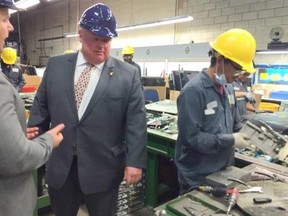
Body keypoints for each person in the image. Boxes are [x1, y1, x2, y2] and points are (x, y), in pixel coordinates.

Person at [28, 3, 147, 216]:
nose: (101, 45)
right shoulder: (55, 66)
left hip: (104, 169)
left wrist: (135, 162)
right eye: (95, 38)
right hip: (61, 166)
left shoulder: (128, 75)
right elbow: (40, 108)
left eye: (107, 40)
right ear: (80, 35)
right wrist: (33, 145)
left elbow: (136, 122)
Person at [0, 1, 64, 216]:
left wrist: (13, 133)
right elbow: (16, 158)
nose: (10, 27)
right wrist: (47, 141)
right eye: (4, 19)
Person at [174, 28, 256, 195]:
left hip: (223, 171)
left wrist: (254, 135)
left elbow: (235, 123)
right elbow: (191, 138)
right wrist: (230, 140)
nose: (239, 75)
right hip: (198, 176)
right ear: (219, 60)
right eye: (237, 69)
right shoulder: (193, 91)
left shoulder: (228, 88)